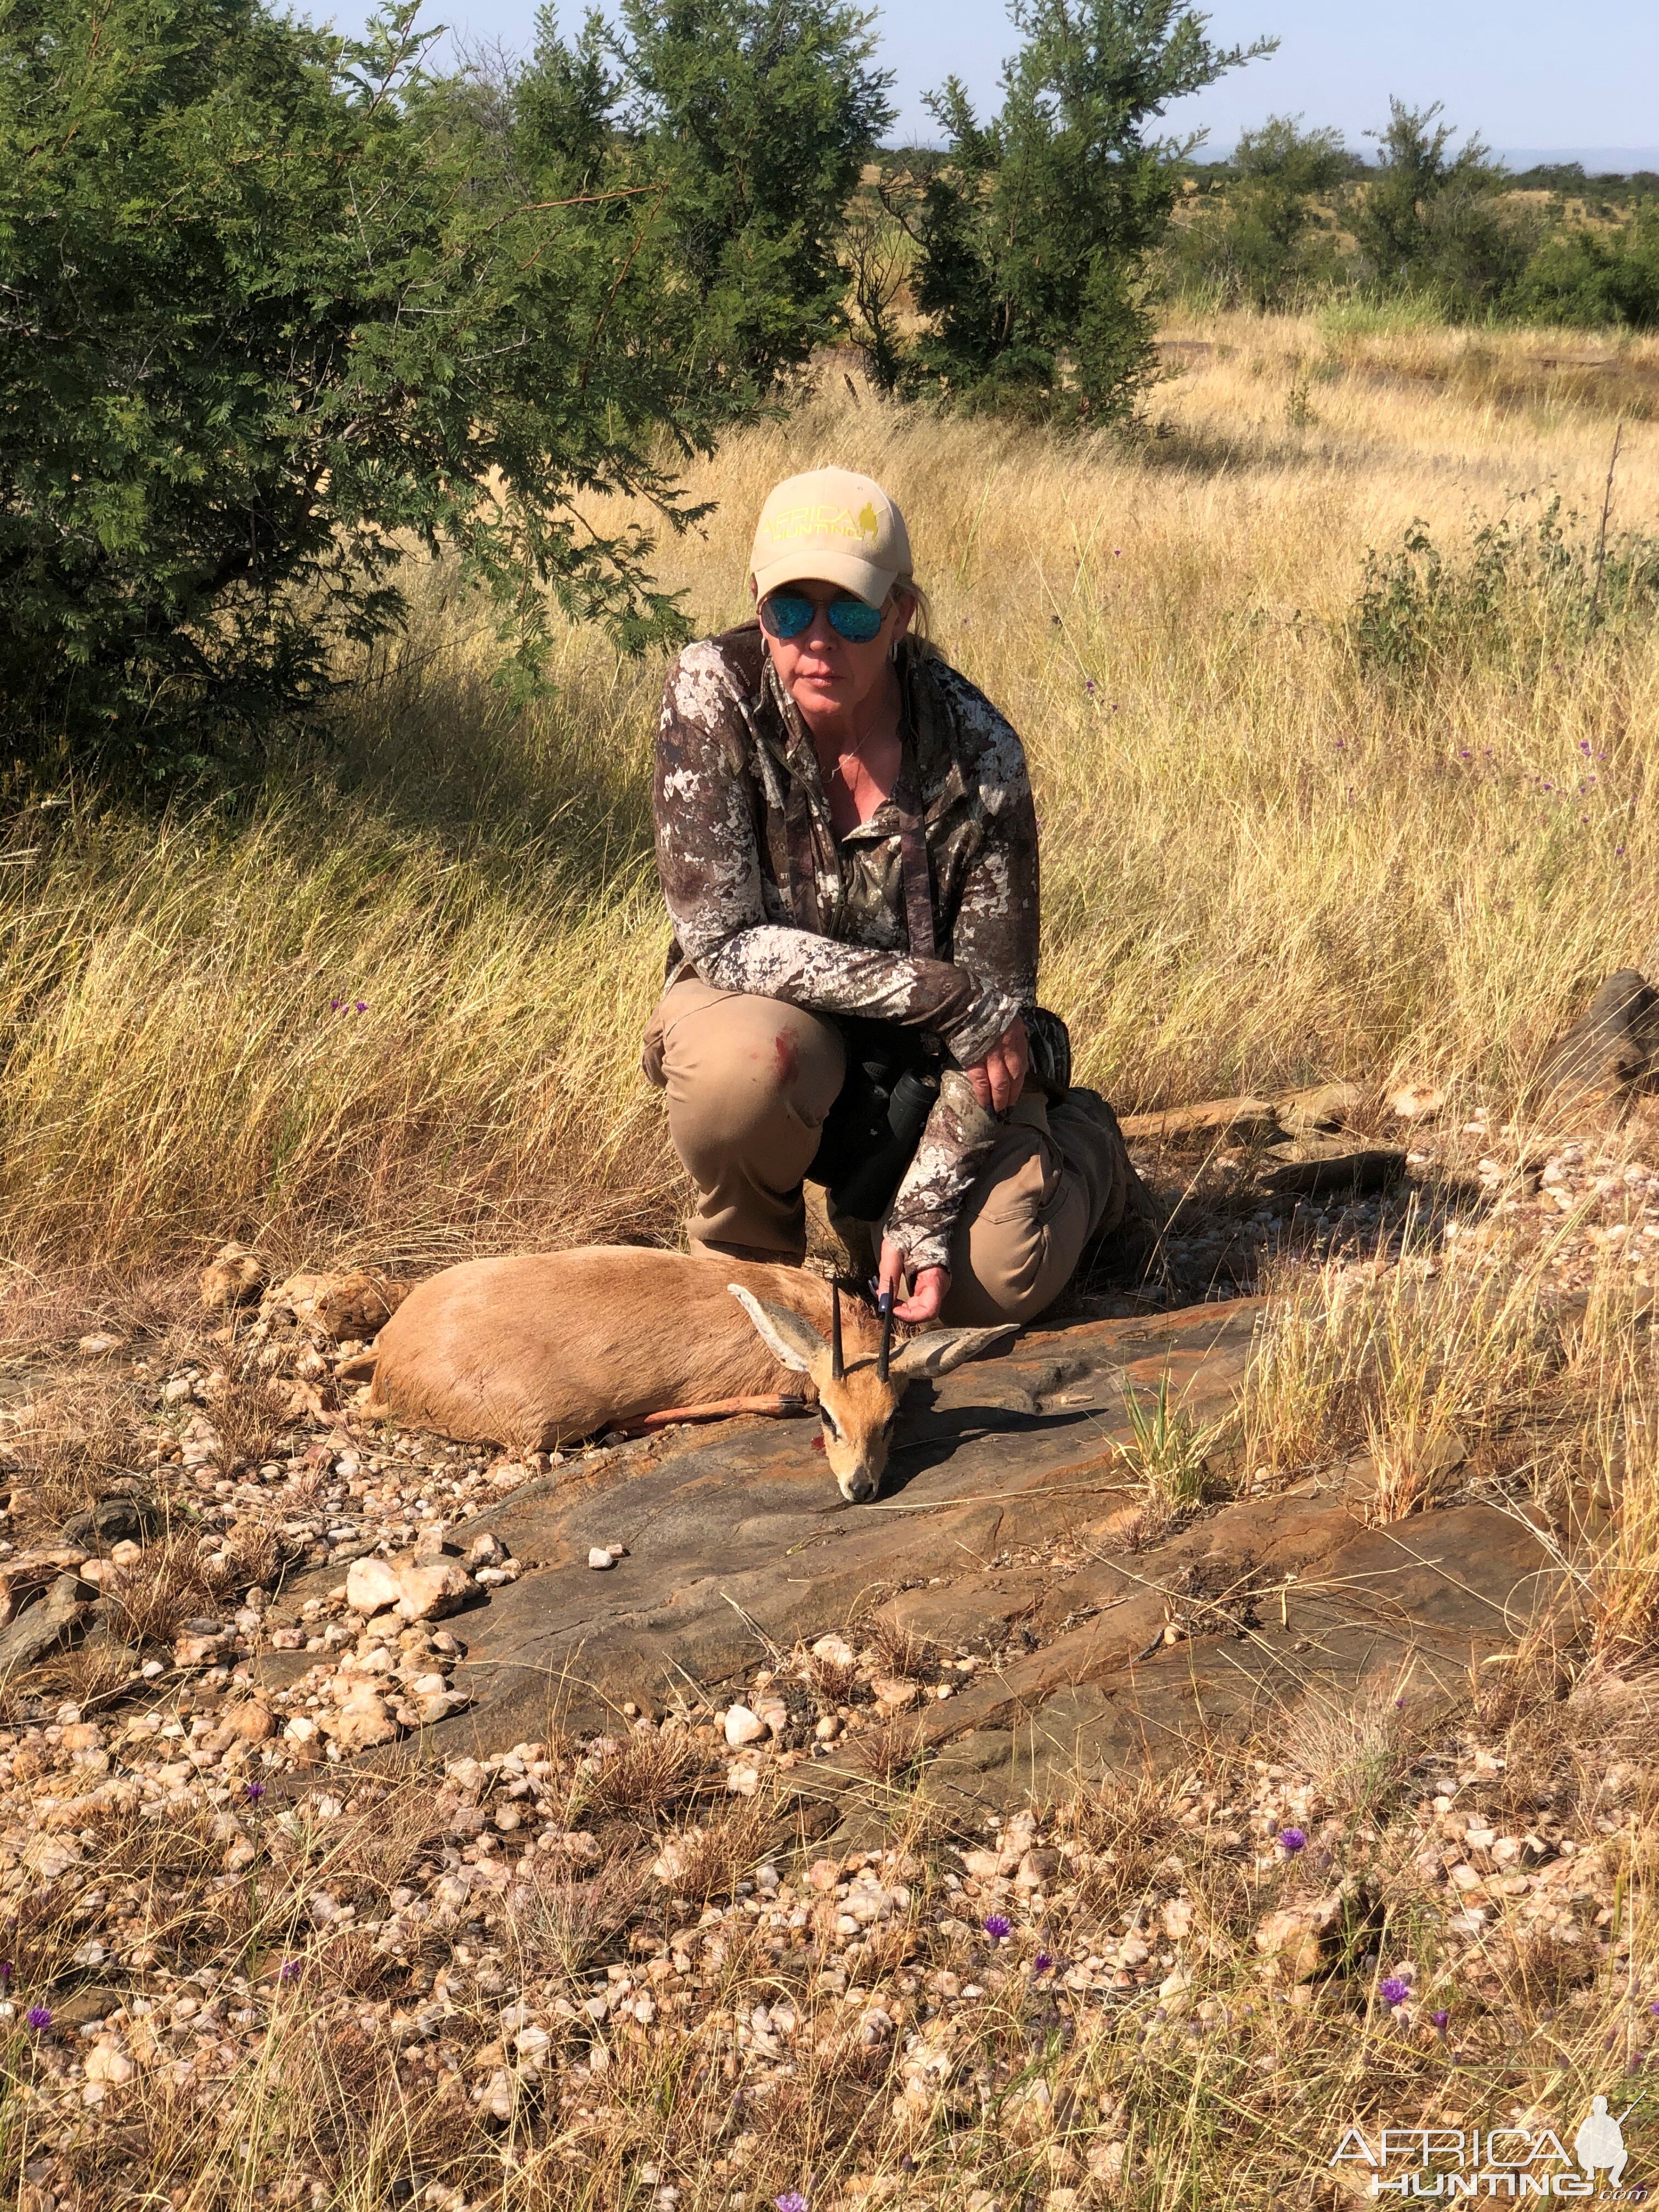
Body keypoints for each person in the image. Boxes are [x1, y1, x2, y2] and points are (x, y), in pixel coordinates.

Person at [642, 465, 1152, 1327]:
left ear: (900, 615)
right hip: (782, 1023)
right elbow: (723, 940)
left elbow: (999, 1016)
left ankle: (1090, 1155)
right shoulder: (711, 692)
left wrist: (922, 1213)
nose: (817, 640)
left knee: (994, 1283)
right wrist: (934, 991)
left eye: (850, 612)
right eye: (789, 610)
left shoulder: (980, 751)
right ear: (756, 603)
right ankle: (748, 1268)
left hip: (934, 1070)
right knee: (738, 1068)